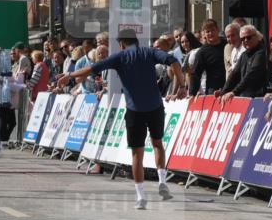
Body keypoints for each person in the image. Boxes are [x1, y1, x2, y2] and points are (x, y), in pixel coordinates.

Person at [57, 31, 186, 210]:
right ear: (136, 42)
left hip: (134, 110)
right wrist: (182, 85)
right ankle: (162, 182)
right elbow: (174, 61)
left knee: (137, 153)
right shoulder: (149, 52)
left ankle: (141, 196)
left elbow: (91, 69)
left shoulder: (119, 57)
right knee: (158, 143)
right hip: (155, 107)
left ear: (122, 44)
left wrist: (69, 76)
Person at [218, 25, 267, 101]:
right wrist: (223, 93)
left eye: (248, 37)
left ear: (256, 37)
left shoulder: (261, 53)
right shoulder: (244, 54)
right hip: (245, 96)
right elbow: (234, 74)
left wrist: (234, 92)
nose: (245, 40)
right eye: (242, 39)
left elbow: (251, 74)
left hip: (258, 97)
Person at [189, 19, 227, 96]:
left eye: (213, 30)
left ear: (218, 30)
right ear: (204, 34)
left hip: (230, 87)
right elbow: (195, 74)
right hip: (213, 90)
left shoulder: (227, 44)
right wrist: (192, 94)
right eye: (207, 31)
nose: (210, 33)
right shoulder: (202, 52)